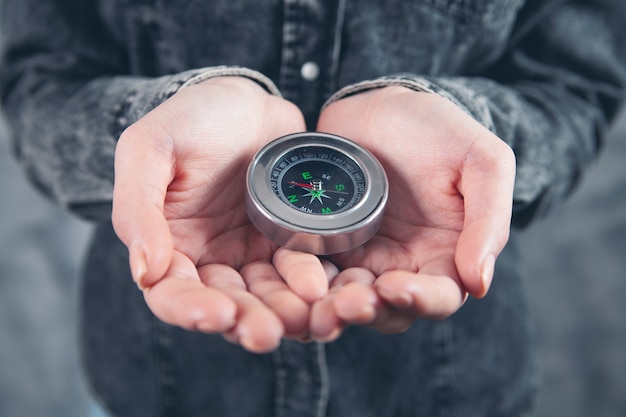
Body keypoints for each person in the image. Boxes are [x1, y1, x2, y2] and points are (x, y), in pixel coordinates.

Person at [1, 1, 624, 416]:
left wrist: (474, 133)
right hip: (160, 378)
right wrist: (145, 131)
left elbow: (575, 81)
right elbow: (38, 78)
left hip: (445, 383)